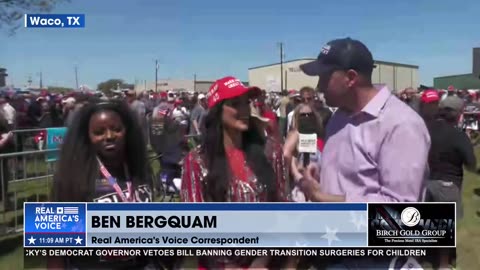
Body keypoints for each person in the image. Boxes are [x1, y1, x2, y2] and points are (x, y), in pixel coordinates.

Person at [285, 38, 430, 269]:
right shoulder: (339, 117)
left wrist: (325, 198)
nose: (319, 87)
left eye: (325, 77)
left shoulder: (401, 125)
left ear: (350, 78)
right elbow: (355, 177)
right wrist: (321, 174)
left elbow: (400, 213)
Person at [180, 76, 290, 269]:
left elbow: (282, 208)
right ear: (217, 111)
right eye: (234, 104)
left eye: (246, 103)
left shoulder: (271, 152)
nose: (244, 110)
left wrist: (261, 260)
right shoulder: (198, 160)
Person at [48, 100, 168, 269]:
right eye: (99, 132)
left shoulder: (139, 169)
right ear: (87, 136)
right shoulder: (72, 177)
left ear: (127, 131)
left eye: (117, 129)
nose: (109, 136)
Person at [425, 96, 476, 270]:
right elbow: (471, 163)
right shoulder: (458, 135)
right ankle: (443, 264)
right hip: (447, 184)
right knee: (445, 228)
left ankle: (414, 259)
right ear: (458, 114)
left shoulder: (425, 129)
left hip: (424, 183)